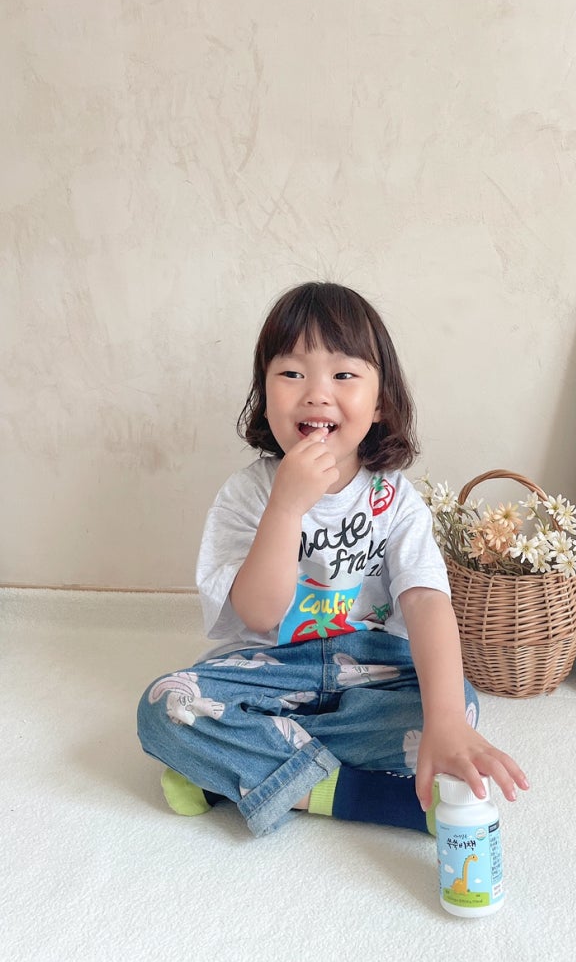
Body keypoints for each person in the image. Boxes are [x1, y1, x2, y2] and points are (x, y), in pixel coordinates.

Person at [137, 282, 528, 837]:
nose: (317, 394)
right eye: (292, 373)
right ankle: (354, 794)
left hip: (371, 668)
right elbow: (259, 613)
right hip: (271, 671)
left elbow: (425, 602)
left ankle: (244, 768)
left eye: (343, 374)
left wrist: (444, 722)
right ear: (264, 395)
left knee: (456, 705)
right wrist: (286, 506)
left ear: (381, 401)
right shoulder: (246, 495)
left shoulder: (396, 500)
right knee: (165, 708)